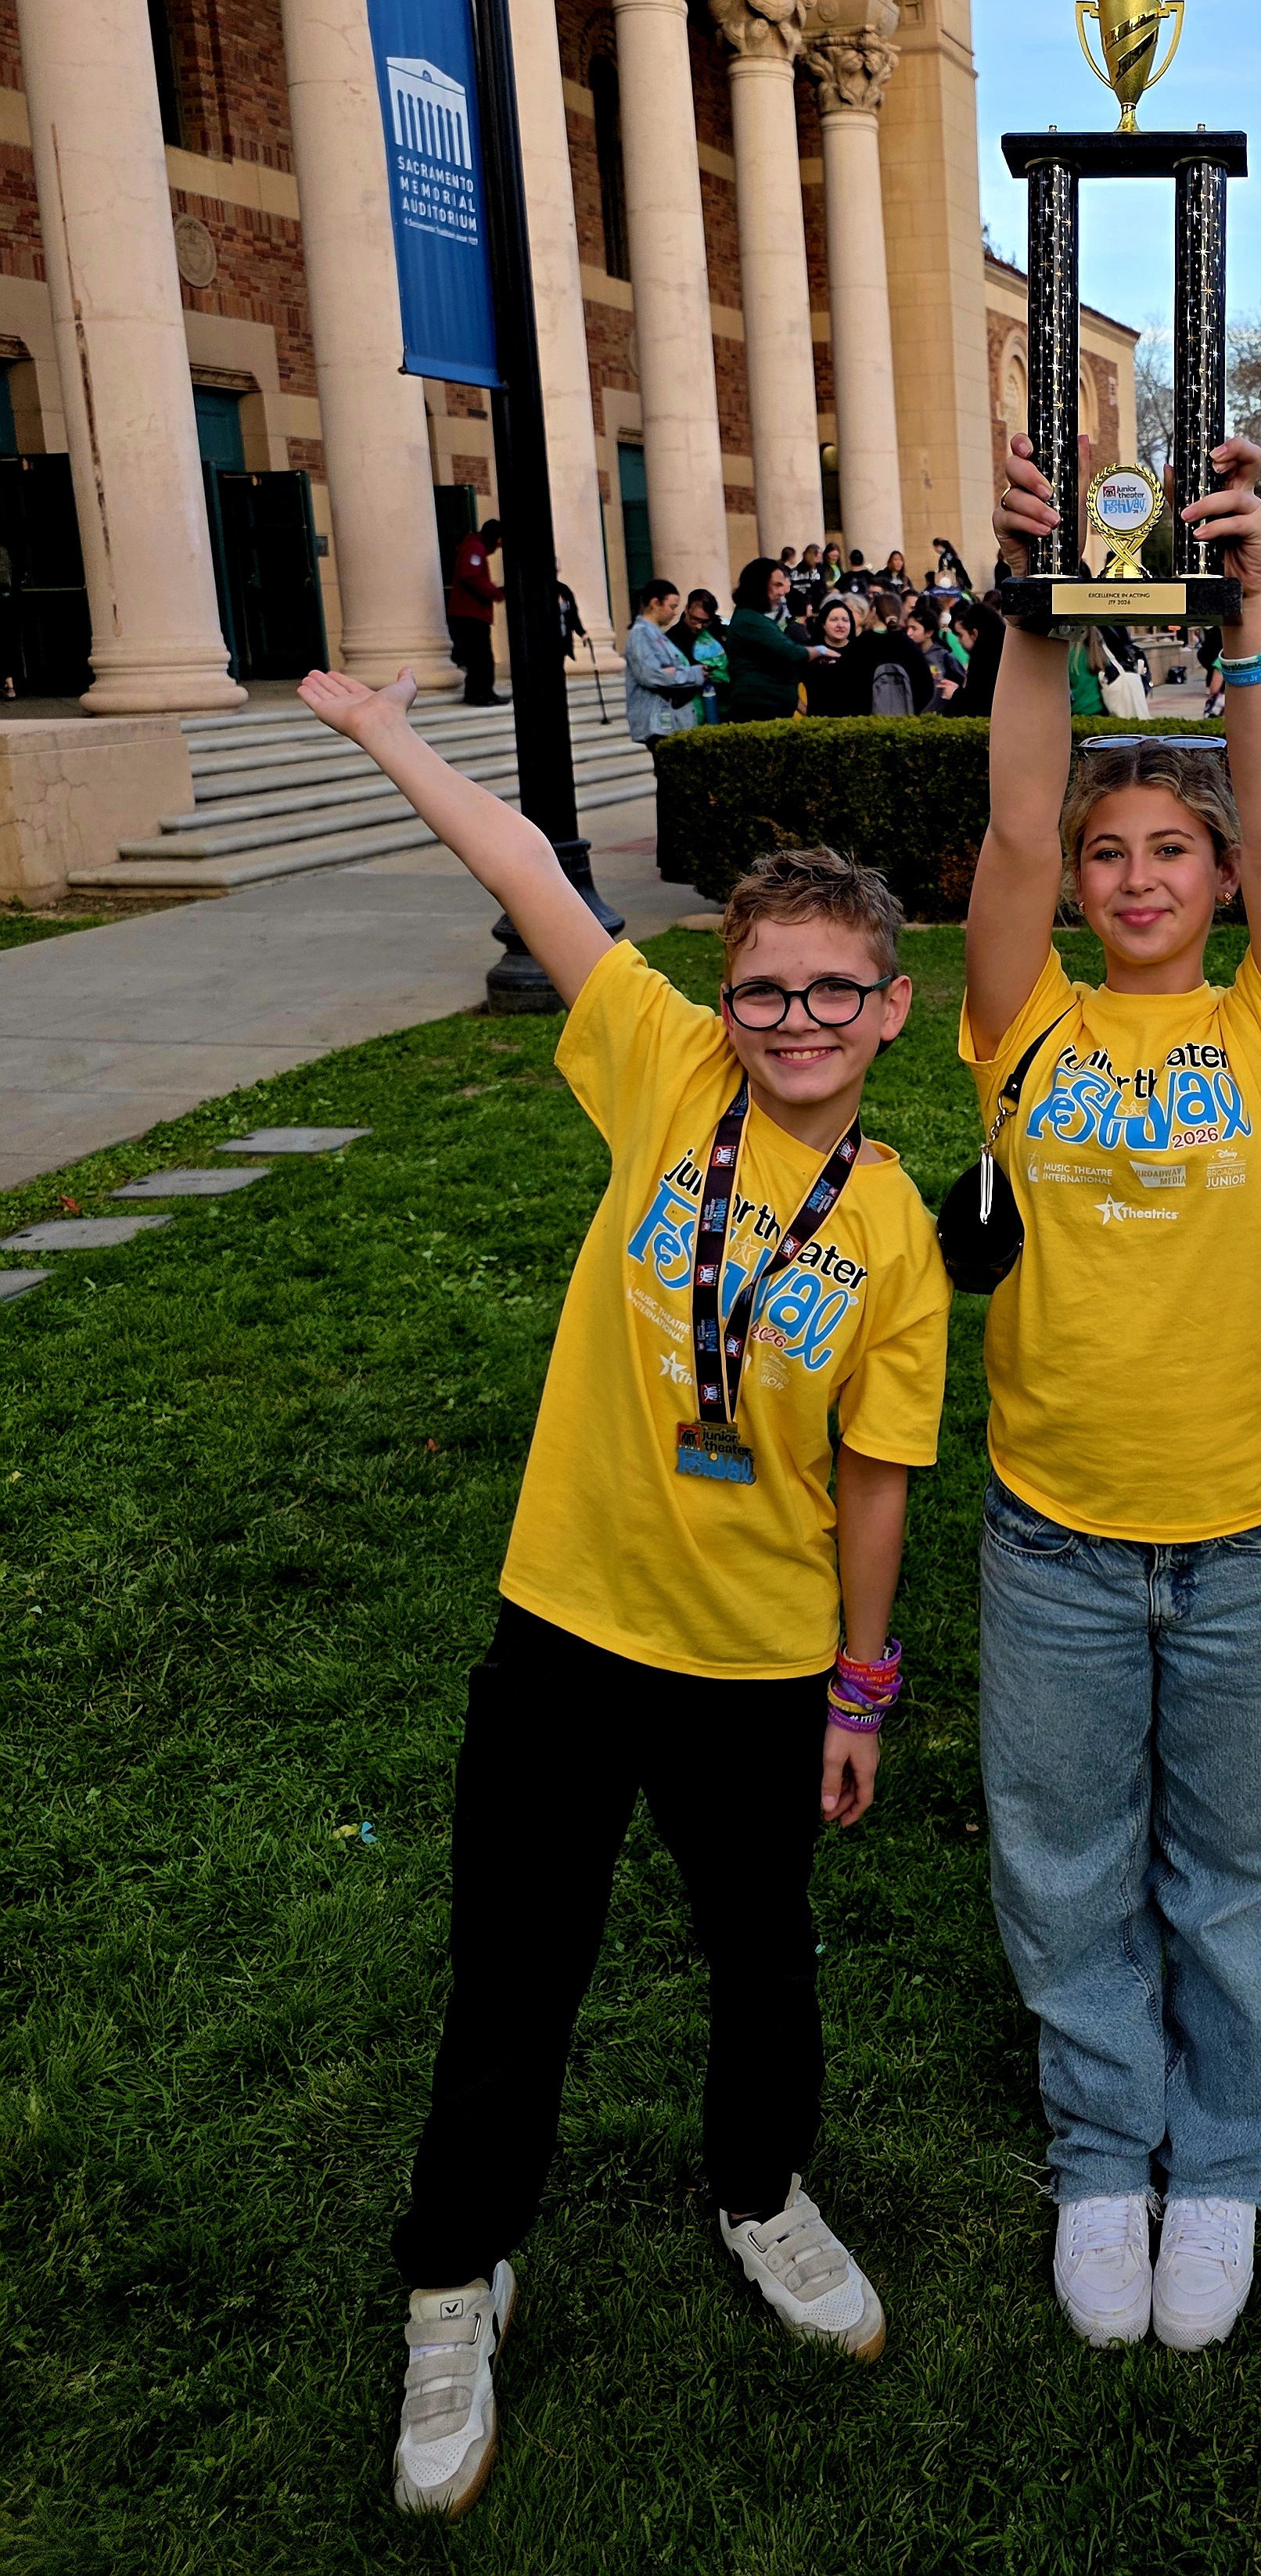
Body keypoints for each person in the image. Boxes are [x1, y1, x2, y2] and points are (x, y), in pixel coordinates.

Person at [289, 667, 950, 2517]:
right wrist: (388, 738)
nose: (795, 1016)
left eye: (833, 988)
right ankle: (454, 2272)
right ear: (721, 998)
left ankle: (761, 2192)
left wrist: (858, 1686)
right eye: (763, 986)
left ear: (887, 1008)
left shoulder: (891, 1224)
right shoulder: (667, 1074)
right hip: (568, 1634)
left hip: (756, 1665)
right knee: (516, 1967)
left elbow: (878, 1480)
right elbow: (530, 870)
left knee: (764, 1961)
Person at [967, 428, 1261, 2359]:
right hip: (1053, 1535)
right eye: (1111, 856)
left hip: (1249, 1538)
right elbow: (1014, 825)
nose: (1125, 875)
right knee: (1064, 1863)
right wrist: (1038, 607)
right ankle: (1101, 2145)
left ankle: (1221, 2160)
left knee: (1232, 1867)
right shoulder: (1018, 1020)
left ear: (1207, 879)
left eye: (1163, 851)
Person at [720, 559, 811, 723]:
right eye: (776, 585)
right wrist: (820, 651)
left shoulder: (754, 618)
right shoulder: (749, 619)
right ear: (758, 587)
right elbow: (790, 652)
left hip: (770, 707)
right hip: (760, 709)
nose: (782, 592)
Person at [624, 579, 706, 740]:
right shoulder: (641, 634)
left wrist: (674, 672)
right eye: (672, 607)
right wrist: (693, 674)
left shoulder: (656, 634)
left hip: (671, 720)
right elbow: (652, 675)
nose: (675, 613)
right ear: (656, 603)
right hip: (656, 721)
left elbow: (669, 671)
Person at [446, 516, 505, 707]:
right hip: (470, 614)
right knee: (480, 657)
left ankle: (486, 692)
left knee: (481, 657)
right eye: (499, 541)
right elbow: (471, 575)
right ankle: (478, 694)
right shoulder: (475, 548)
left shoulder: (475, 548)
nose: (499, 546)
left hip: (472, 613)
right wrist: (495, 593)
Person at [673, 587, 731, 725]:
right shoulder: (674, 637)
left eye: (705, 621)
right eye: (694, 619)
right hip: (694, 705)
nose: (699, 626)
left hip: (727, 701)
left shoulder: (722, 628)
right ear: (687, 609)